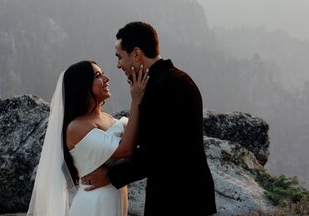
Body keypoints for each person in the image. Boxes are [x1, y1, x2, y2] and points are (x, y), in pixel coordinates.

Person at [81, 21, 217, 215]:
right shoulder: (180, 78)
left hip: (175, 200)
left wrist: (110, 176)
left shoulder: (158, 89)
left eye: (120, 57)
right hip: (194, 196)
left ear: (136, 54)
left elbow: (155, 154)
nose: (118, 65)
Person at [27, 60, 149, 216]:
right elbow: (125, 149)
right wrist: (136, 100)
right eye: (98, 75)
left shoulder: (108, 118)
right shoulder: (77, 127)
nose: (106, 78)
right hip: (94, 203)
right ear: (82, 86)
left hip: (114, 199)